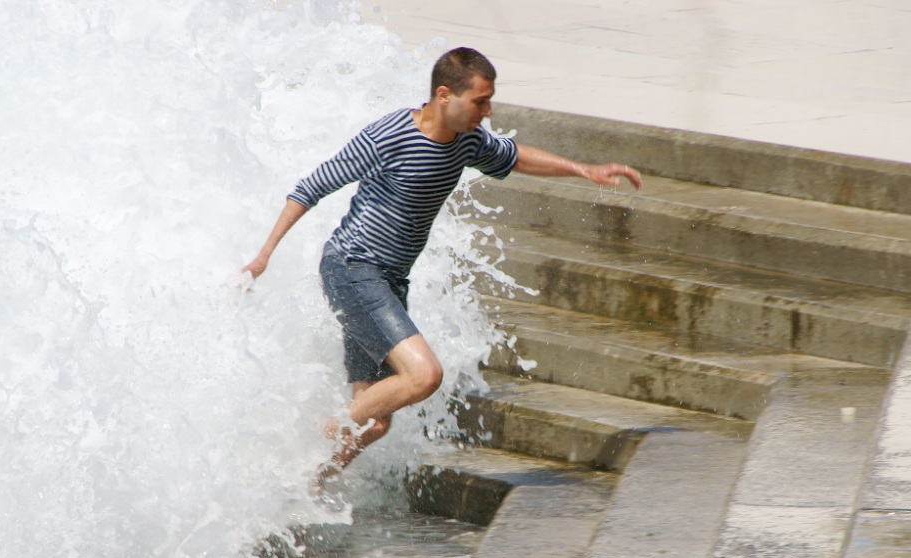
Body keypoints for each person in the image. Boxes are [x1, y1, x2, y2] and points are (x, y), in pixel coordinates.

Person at [242, 47, 642, 492]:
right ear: (445, 95)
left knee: (374, 425)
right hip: (353, 269)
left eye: (490, 101)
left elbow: (516, 157)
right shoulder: (389, 136)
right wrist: (264, 255)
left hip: (390, 282)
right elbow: (312, 186)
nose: (487, 112)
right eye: (480, 101)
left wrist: (584, 170)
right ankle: (319, 431)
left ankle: (305, 487)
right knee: (424, 376)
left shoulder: (467, 140)